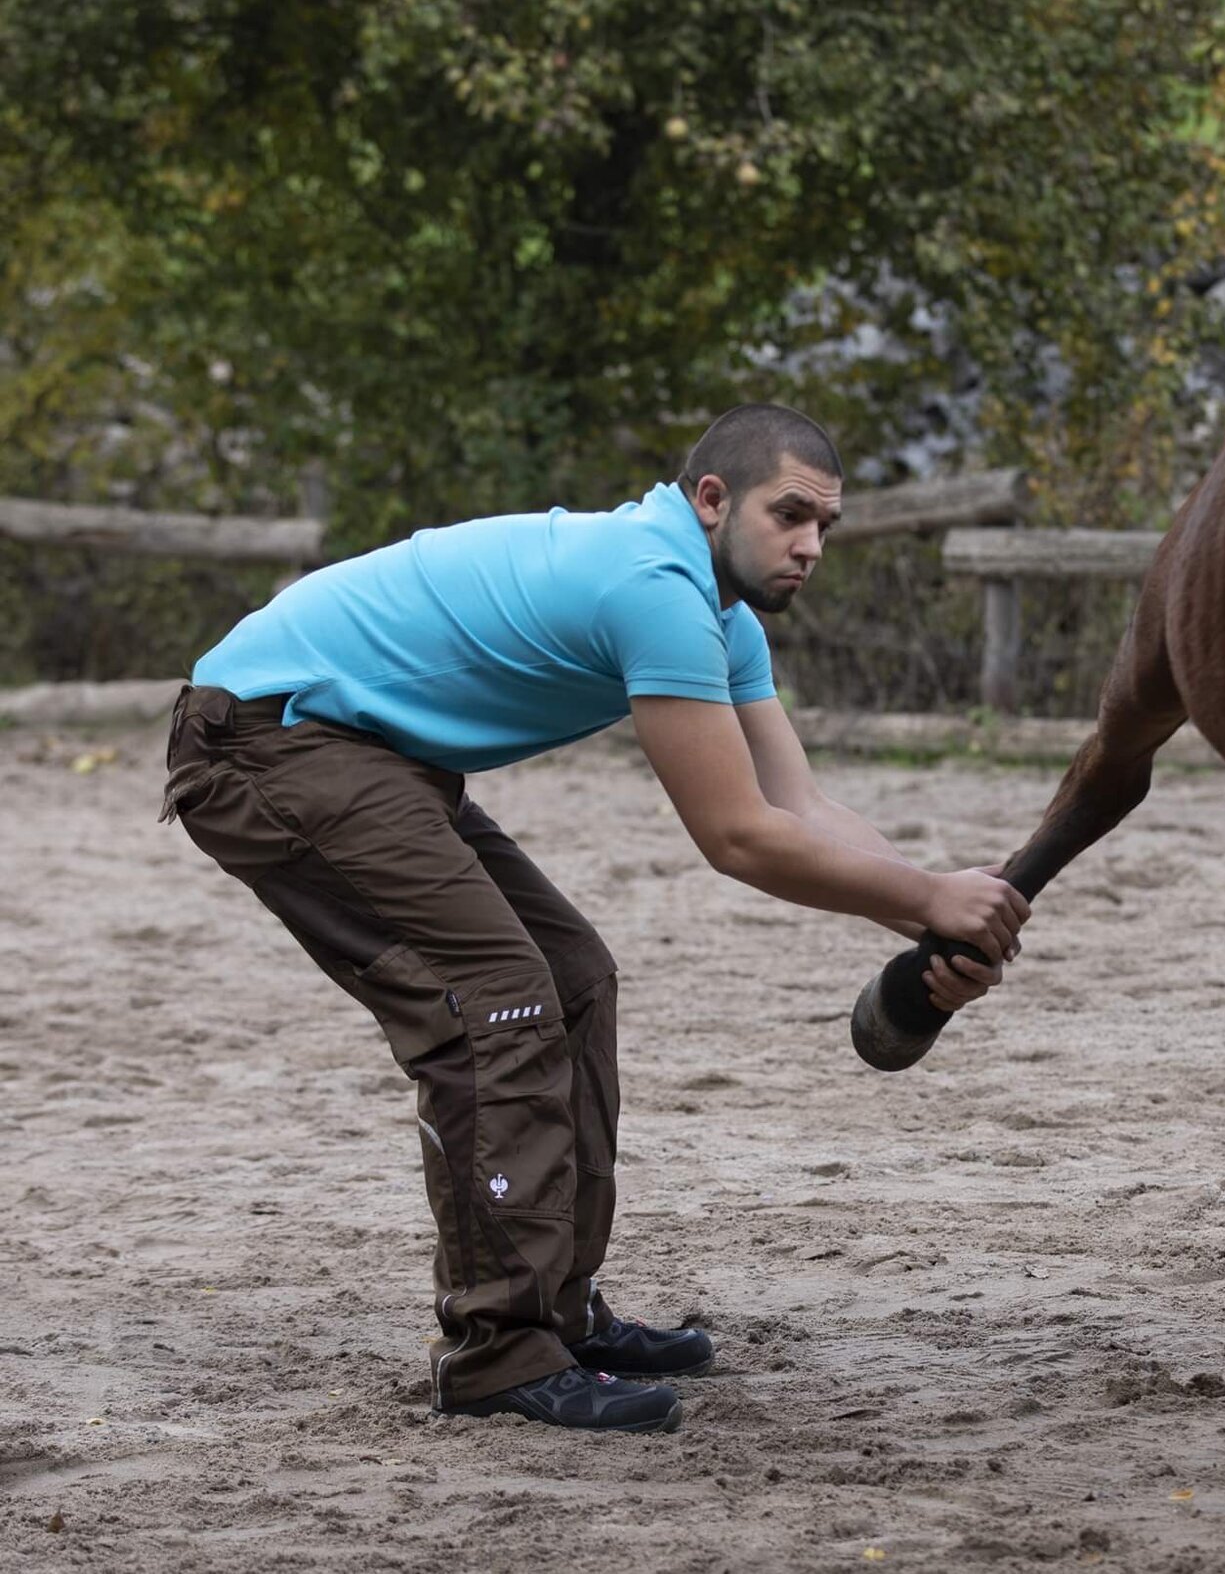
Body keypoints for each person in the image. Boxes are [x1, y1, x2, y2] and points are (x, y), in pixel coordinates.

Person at [159, 404, 1028, 1436]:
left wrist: (927, 908)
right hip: (265, 738)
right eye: (789, 514)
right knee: (497, 999)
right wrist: (928, 901)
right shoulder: (651, 586)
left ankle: (556, 1310)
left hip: (365, 752)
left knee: (572, 977)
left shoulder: (717, 612)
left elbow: (799, 806)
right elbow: (737, 835)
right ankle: (497, 1348)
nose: (809, 545)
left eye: (825, 526)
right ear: (710, 500)